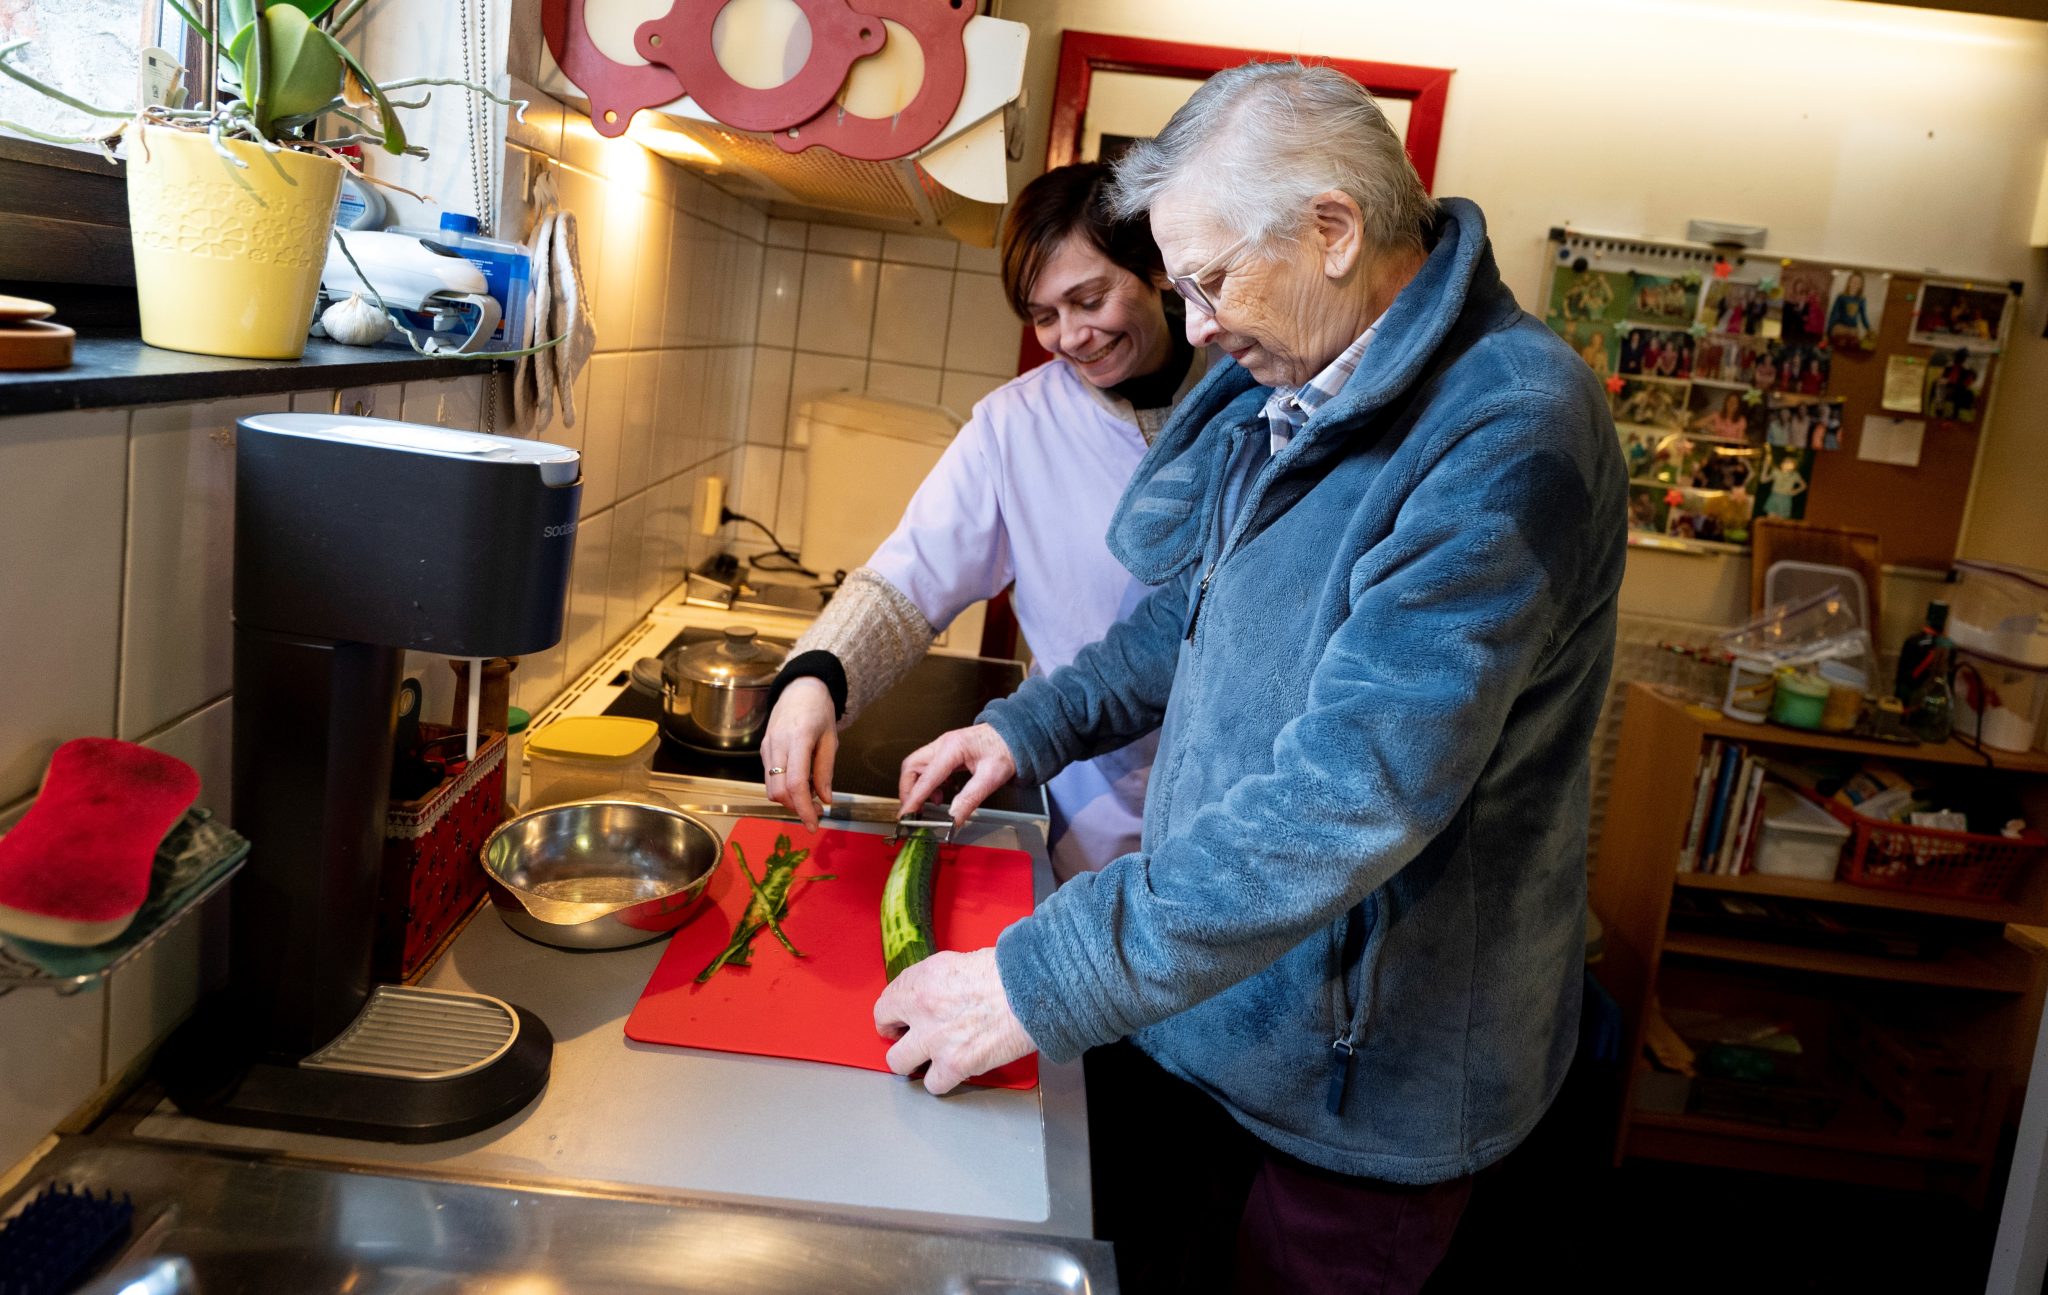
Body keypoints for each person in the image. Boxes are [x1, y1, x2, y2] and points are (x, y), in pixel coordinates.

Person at [872, 62, 1626, 1294]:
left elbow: (1356, 788)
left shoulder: (1508, 429)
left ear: (1331, 229)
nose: (1200, 324)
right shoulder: (1286, 372)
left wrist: (1043, 973)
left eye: (1213, 281)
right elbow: (1187, 616)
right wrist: (1029, 726)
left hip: (1370, 1073)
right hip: (1227, 1009)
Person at [756, 163, 1204, 881]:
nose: (1071, 337)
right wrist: (816, 676)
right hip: (1088, 809)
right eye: (1044, 315)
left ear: (1151, 266)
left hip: (1234, 812)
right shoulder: (1014, 428)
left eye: (1088, 299)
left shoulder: (1249, 387)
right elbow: (908, 581)